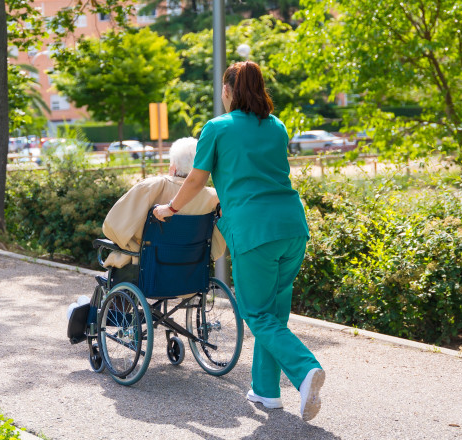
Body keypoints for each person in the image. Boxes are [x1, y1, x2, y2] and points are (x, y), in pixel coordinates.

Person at [152, 61, 325, 422]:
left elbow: (196, 179)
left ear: (229, 90)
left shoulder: (217, 128)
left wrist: (170, 208)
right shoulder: (277, 127)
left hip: (254, 232)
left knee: (256, 313)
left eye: (222, 88)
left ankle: (305, 369)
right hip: (292, 227)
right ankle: (266, 391)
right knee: (273, 314)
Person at [101, 137, 226, 283]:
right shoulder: (214, 197)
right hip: (190, 273)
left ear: (173, 166)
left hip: (149, 273)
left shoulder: (153, 186)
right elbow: (217, 247)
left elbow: (114, 227)